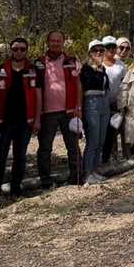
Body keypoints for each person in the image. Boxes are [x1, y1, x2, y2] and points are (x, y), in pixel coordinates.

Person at [34, 31, 83, 189]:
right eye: (52, 41)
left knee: (73, 146)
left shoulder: (72, 61)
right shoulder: (38, 63)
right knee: (45, 148)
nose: (55, 43)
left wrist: (79, 107)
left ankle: (76, 176)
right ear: (47, 42)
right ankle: (46, 181)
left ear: (63, 43)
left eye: (59, 41)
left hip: (68, 111)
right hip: (47, 112)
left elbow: (78, 86)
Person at [0, 37, 37, 204]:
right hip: (4, 122)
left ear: (27, 50)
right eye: (15, 49)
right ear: (10, 50)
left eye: (22, 49)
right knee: (0, 157)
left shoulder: (32, 69)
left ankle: (16, 189)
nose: (19, 52)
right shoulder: (0, 69)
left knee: (20, 156)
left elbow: (38, 96)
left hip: (24, 121)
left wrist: (37, 119)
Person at [78, 41, 111, 183]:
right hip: (91, 101)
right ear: (90, 52)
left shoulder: (102, 68)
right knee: (93, 138)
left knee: (101, 139)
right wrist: (98, 68)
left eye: (101, 50)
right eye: (95, 50)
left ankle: (95, 169)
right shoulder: (85, 68)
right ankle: (87, 171)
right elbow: (90, 82)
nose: (98, 53)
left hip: (103, 100)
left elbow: (106, 85)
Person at [100, 36, 126, 164]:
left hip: (115, 104)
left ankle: (108, 159)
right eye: (107, 47)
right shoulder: (98, 64)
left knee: (112, 133)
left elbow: (124, 84)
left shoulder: (121, 65)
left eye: (113, 46)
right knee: (100, 133)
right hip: (100, 104)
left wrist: (120, 102)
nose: (110, 49)